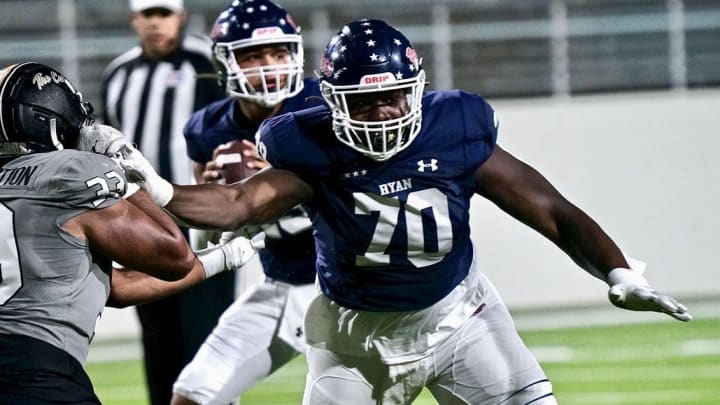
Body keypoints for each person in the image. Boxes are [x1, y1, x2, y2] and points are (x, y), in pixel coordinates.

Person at [106, 19, 692, 405]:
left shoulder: (453, 126)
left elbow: (551, 209)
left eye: (395, 94)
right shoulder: (306, 144)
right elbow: (239, 203)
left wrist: (617, 270)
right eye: (367, 99)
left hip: (461, 318)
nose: (385, 111)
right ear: (334, 99)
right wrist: (157, 191)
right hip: (352, 340)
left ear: (418, 88)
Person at [0, 62, 260, 405]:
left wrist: (219, 260)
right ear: (53, 119)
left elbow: (115, 288)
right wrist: (126, 175)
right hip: (38, 372)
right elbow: (174, 256)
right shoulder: (70, 172)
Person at [170, 1, 323, 404]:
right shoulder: (208, 129)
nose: (269, 66)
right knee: (192, 394)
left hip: (347, 288)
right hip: (281, 283)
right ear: (225, 63)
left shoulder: (323, 110)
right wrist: (223, 199)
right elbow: (208, 237)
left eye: (278, 53)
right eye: (253, 56)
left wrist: (273, 180)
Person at [99, 1, 227, 403]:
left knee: (207, 341)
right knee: (157, 344)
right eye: (148, 14)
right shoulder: (118, 72)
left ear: (181, 16)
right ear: (134, 19)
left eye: (164, 13)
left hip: (201, 225)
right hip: (138, 225)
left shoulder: (209, 61)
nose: (156, 23)